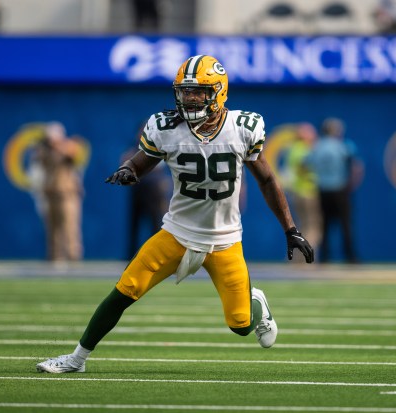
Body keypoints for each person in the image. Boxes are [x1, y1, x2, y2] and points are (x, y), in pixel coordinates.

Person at [36, 55, 314, 373]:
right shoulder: (167, 128)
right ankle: (76, 359)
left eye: (199, 92)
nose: (191, 99)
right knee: (125, 290)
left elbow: (266, 179)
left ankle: (257, 302)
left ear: (219, 93)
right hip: (177, 233)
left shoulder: (242, 128)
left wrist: (290, 228)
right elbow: (141, 161)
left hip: (224, 241)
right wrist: (128, 170)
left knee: (240, 325)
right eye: (186, 92)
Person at [305, 117, 363, 264]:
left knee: (324, 225)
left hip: (322, 190)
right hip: (340, 190)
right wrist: (351, 184)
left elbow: (305, 163)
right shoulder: (342, 146)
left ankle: (325, 257)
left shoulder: (316, 146)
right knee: (346, 225)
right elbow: (356, 165)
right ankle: (351, 257)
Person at [34, 122, 85, 263]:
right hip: (51, 193)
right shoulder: (45, 151)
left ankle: (73, 257)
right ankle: (55, 257)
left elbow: (73, 155)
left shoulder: (67, 146)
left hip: (68, 194)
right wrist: (45, 146)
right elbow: (37, 159)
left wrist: (58, 146)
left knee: (70, 227)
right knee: (52, 227)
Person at [121, 130, 170, 260]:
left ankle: (157, 255)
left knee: (156, 223)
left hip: (153, 189)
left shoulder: (159, 144)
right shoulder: (135, 146)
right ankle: (131, 256)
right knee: (135, 223)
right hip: (138, 188)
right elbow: (125, 162)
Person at [286, 123, 322, 257]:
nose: (314, 135)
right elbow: (304, 166)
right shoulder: (305, 149)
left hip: (297, 192)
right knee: (313, 227)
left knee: (303, 226)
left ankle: (297, 258)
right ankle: (306, 257)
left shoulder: (293, 148)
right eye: (311, 133)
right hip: (309, 192)